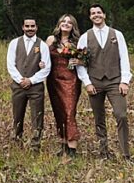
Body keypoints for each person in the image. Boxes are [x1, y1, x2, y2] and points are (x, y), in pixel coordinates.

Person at [76, 4, 131, 159]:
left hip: (115, 81)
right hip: (95, 82)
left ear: (104, 15)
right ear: (90, 17)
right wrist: (87, 82)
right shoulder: (85, 37)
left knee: (121, 115)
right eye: (93, 13)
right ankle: (104, 152)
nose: (96, 15)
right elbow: (80, 63)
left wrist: (125, 81)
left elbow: (124, 58)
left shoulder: (117, 34)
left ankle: (125, 153)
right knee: (99, 118)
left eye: (98, 12)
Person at [6, 18, 51, 150]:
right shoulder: (14, 43)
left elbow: (46, 67)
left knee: (37, 115)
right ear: (23, 27)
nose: (30, 28)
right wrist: (20, 80)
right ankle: (17, 140)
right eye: (27, 26)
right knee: (17, 114)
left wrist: (31, 80)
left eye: (32, 26)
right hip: (18, 85)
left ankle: (35, 144)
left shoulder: (42, 45)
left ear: (36, 27)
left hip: (36, 87)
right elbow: (10, 64)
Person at [45, 14, 83, 157]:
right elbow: (42, 56)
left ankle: (72, 147)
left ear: (73, 26)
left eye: (69, 22)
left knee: (69, 111)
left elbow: (86, 59)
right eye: (63, 21)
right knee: (59, 111)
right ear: (59, 24)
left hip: (71, 80)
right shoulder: (51, 40)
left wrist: (79, 62)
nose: (66, 24)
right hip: (53, 80)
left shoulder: (77, 42)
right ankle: (63, 144)